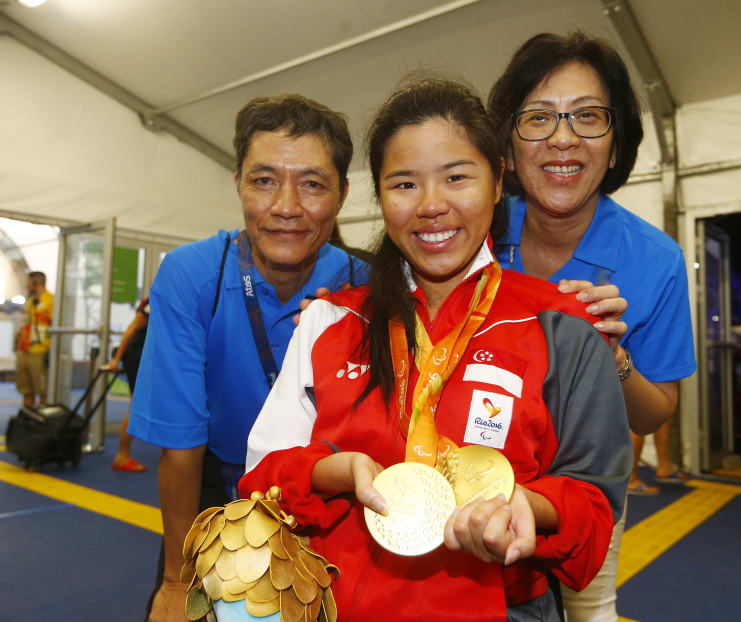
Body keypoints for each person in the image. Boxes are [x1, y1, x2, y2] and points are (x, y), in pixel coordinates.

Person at [241, 77, 632, 622]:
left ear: (498, 182)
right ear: (379, 196)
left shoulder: (562, 326)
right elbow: (262, 474)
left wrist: (528, 507)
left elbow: (595, 501)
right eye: (403, 184)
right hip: (332, 605)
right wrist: (338, 470)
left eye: (456, 177)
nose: (430, 205)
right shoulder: (332, 319)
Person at [128, 94, 367, 622]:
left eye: (312, 183)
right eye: (263, 181)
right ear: (237, 182)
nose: (286, 206)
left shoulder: (366, 285)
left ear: (343, 194)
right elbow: (182, 443)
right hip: (220, 496)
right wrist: (175, 581)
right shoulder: (194, 275)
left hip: (331, 503)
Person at [488, 31, 696, 621]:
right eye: (538, 117)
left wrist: (613, 358)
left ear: (616, 138)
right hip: (472, 476)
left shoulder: (654, 260)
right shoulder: (472, 231)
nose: (562, 137)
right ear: (507, 137)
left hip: (587, 490)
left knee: (589, 612)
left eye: (587, 116)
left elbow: (656, 413)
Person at [104, 296, 150, 472]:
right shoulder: (151, 302)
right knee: (135, 405)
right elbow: (131, 329)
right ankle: (122, 455)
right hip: (137, 357)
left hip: (145, 357)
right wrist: (116, 360)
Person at [15, 271, 53, 408]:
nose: (26, 285)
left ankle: (41, 420)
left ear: (35, 283)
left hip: (40, 351)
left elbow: (54, 325)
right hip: (24, 350)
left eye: (28, 282)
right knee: (25, 388)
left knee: (42, 390)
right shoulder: (30, 301)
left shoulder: (51, 300)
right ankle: (27, 418)